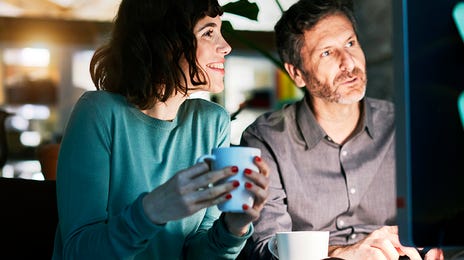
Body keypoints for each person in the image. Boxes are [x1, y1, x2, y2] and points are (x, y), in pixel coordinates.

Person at [51, 0, 270, 259]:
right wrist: (151, 211)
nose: (226, 46)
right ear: (166, 43)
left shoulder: (212, 122)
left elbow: (199, 255)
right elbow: (78, 252)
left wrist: (233, 227)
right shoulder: (98, 112)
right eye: (208, 32)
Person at [240, 0, 443, 259]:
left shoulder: (404, 125)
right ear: (297, 73)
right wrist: (346, 254)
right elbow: (266, 249)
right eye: (327, 52)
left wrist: (436, 244)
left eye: (350, 43)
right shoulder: (267, 140)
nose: (349, 63)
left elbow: (437, 223)